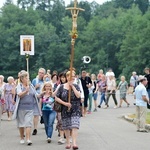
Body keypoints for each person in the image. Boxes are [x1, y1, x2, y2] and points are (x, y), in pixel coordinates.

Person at [13, 71, 40, 145]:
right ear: (22, 79)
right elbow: (19, 95)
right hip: (21, 108)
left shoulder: (31, 86)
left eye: (28, 77)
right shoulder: (19, 86)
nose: (27, 79)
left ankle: (28, 139)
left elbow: (36, 94)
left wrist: (42, 94)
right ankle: (22, 138)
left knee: (28, 124)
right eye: (26, 77)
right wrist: (25, 91)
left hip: (30, 108)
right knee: (21, 124)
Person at [55, 71, 81, 150]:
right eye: (71, 76)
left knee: (74, 126)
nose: (72, 78)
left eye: (73, 76)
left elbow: (78, 95)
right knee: (66, 126)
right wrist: (65, 103)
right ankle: (68, 142)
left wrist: (72, 86)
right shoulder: (62, 87)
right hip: (65, 109)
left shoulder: (76, 86)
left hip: (75, 109)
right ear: (67, 77)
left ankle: (74, 143)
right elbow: (56, 97)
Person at [32, 68, 47, 135]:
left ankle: (47, 126)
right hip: (37, 98)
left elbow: (48, 88)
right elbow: (31, 90)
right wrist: (35, 87)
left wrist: (44, 81)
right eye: (39, 72)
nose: (40, 74)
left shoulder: (46, 80)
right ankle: (35, 128)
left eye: (42, 73)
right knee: (36, 114)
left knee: (45, 113)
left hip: (45, 99)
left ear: (44, 74)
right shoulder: (35, 80)